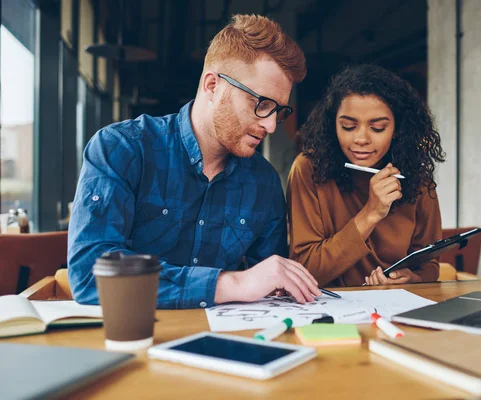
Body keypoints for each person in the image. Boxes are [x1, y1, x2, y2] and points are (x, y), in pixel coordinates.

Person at [68, 15, 321, 309]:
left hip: (223, 345)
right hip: (132, 338)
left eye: (279, 111)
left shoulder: (263, 181)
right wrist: (231, 283)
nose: (271, 126)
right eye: (261, 104)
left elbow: (269, 284)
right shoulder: (121, 148)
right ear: (212, 85)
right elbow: (90, 274)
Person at [287, 64, 445, 287]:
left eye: (378, 128)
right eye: (348, 126)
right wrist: (371, 213)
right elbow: (306, 270)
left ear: (397, 128)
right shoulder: (309, 169)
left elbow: (429, 263)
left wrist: (414, 278)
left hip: (396, 307)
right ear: (333, 125)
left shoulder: (417, 178)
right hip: (329, 308)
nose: (361, 139)